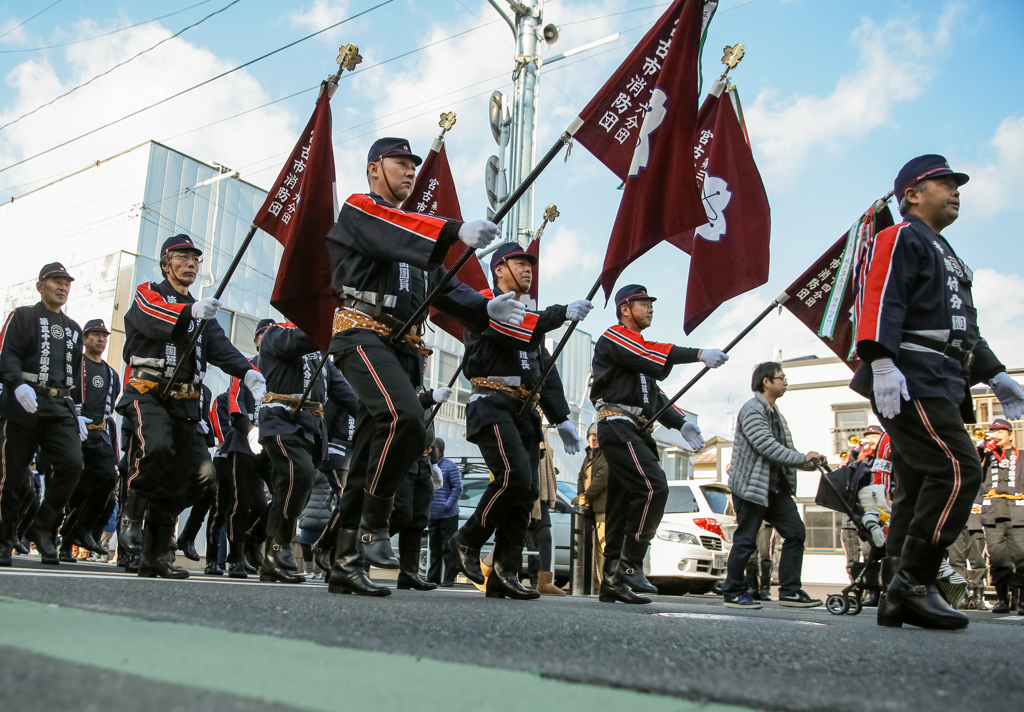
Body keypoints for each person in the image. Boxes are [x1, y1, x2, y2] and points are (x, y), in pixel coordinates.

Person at [325, 136, 517, 596]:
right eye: (400, 163)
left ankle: (345, 562)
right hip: (361, 334)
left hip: (401, 347)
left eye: (413, 165)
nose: (410, 172)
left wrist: (483, 308)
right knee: (404, 416)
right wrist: (452, 230)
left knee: (371, 453)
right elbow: (392, 228)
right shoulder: (360, 209)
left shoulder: (411, 239)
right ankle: (374, 525)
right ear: (375, 169)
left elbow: (443, 288)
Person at [852, 155, 1023, 630]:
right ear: (911, 194)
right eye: (943, 183)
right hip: (912, 374)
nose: (956, 190)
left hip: (943, 377)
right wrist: (880, 359)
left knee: (917, 485)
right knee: (957, 468)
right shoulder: (902, 236)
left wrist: (997, 374)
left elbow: (963, 328)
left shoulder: (945, 250)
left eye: (957, 184)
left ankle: (895, 594)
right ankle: (915, 581)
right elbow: (881, 294)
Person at [116, 235, 266, 579]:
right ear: (166, 263)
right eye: (183, 258)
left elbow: (221, 348)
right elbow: (150, 316)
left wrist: (248, 372)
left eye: (196, 260)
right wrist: (188, 312)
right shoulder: (148, 293)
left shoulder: (202, 311)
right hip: (149, 392)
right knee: (155, 449)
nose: (191, 265)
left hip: (186, 403)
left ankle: (155, 553)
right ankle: (132, 515)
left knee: (194, 475)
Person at [448, 243, 589, 600]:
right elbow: (510, 328)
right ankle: (467, 540)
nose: (528, 269)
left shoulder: (531, 321)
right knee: (514, 476)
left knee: (527, 492)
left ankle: (504, 573)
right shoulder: (486, 304)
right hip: (490, 401)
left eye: (531, 264)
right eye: (520, 263)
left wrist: (563, 419)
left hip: (523, 410)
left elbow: (544, 370)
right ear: (499, 269)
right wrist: (559, 314)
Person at [589, 285, 723, 605]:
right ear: (625, 308)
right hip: (617, 425)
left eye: (651, 304)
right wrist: (698, 354)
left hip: (637, 430)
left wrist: (681, 422)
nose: (651, 309)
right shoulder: (615, 337)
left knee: (621, 507)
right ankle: (631, 563)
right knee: (654, 487)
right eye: (644, 304)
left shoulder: (639, 355)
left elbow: (656, 397)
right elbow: (651, 353)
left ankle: (611, 581)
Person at [249, 322, 358, 584]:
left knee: (291, 487)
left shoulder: (320, 354)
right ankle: (279, 547)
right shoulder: (277, 334)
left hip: (312, 428)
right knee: (301, 474)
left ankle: (262, 544)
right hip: (281, 420)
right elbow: (298, 341)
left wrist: (377, 415)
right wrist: (332, 329)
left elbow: (342, 391)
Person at [0, 262, 86, 567]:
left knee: (73, 463)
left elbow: (75, 374)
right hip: (23, 402)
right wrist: (16, 384)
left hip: (59, 407)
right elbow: (6, 353)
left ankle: (42, 525)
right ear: (40, 285)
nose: (62, 287)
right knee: (13, 474)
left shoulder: (75, 329)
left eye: (66, 283)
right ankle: (4, 536)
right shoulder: (23, 316)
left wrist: (77, 413)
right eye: (56, 281)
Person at [722, 362, 823, 610]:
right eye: (781, 377)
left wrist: (809, 463)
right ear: (766, 381)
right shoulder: (752, 409)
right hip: (751, 488)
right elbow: (766, 446)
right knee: (746, 540)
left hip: (776, 489)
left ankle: (789, 592)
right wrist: (802, 458)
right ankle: (733, 592)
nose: (785, 381)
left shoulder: (776, 413)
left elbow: (784, 451)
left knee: (796, 533)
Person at [65, 318, 120, 558]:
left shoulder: (111, 373)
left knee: (107, 478)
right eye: (95, 334)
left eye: (104, 335)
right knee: (73, 488)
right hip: (74, 431)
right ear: (85, 338)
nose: (101, 339)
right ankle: (65, 543)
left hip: (100, 435)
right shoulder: (75, 364)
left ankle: (83, 527)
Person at [976, 418, 1024, 614]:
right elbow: (970, 464)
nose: (996, 435)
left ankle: (1021, 601)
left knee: (1022, 558)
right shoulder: (985, 456)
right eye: (993, 432)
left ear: (1010, 435)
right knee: (997, 559)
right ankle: (1002, 599)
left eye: (1000, 432)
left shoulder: (1021, 455)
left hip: (1018, 513)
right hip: (993, 514)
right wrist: (981, 447)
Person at [841, 425, 884, 587]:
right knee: (851, 558)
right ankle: (856, 590)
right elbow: (845, 469)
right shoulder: (860, 456)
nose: (870, 439)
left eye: (874, 436)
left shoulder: (882, 458)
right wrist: (858, 448)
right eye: (868, 436)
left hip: (872, 513)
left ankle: (872, 591)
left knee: (870, 555)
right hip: (851, 514)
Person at [575, 423, 608, 592]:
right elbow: (581, 477)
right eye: (591, 436)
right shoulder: (589, 455)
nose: (593, 438)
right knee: (592, 547)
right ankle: (595, 583)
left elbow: (601, 479)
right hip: (590, 507)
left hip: (602, 507)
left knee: (603, 547)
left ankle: (606, 583)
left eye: (596, 436)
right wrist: (583, 497)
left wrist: (585, 497)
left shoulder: (606, 455)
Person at [427, 437, 461, 586]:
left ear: (437, 451)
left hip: (449, 515)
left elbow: (457, 488)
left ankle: (448, 579)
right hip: (433, 514)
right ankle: (432, 578)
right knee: (434, 548)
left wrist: (447, 505)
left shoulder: (450, 466)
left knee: (448, 548)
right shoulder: (428, 466)